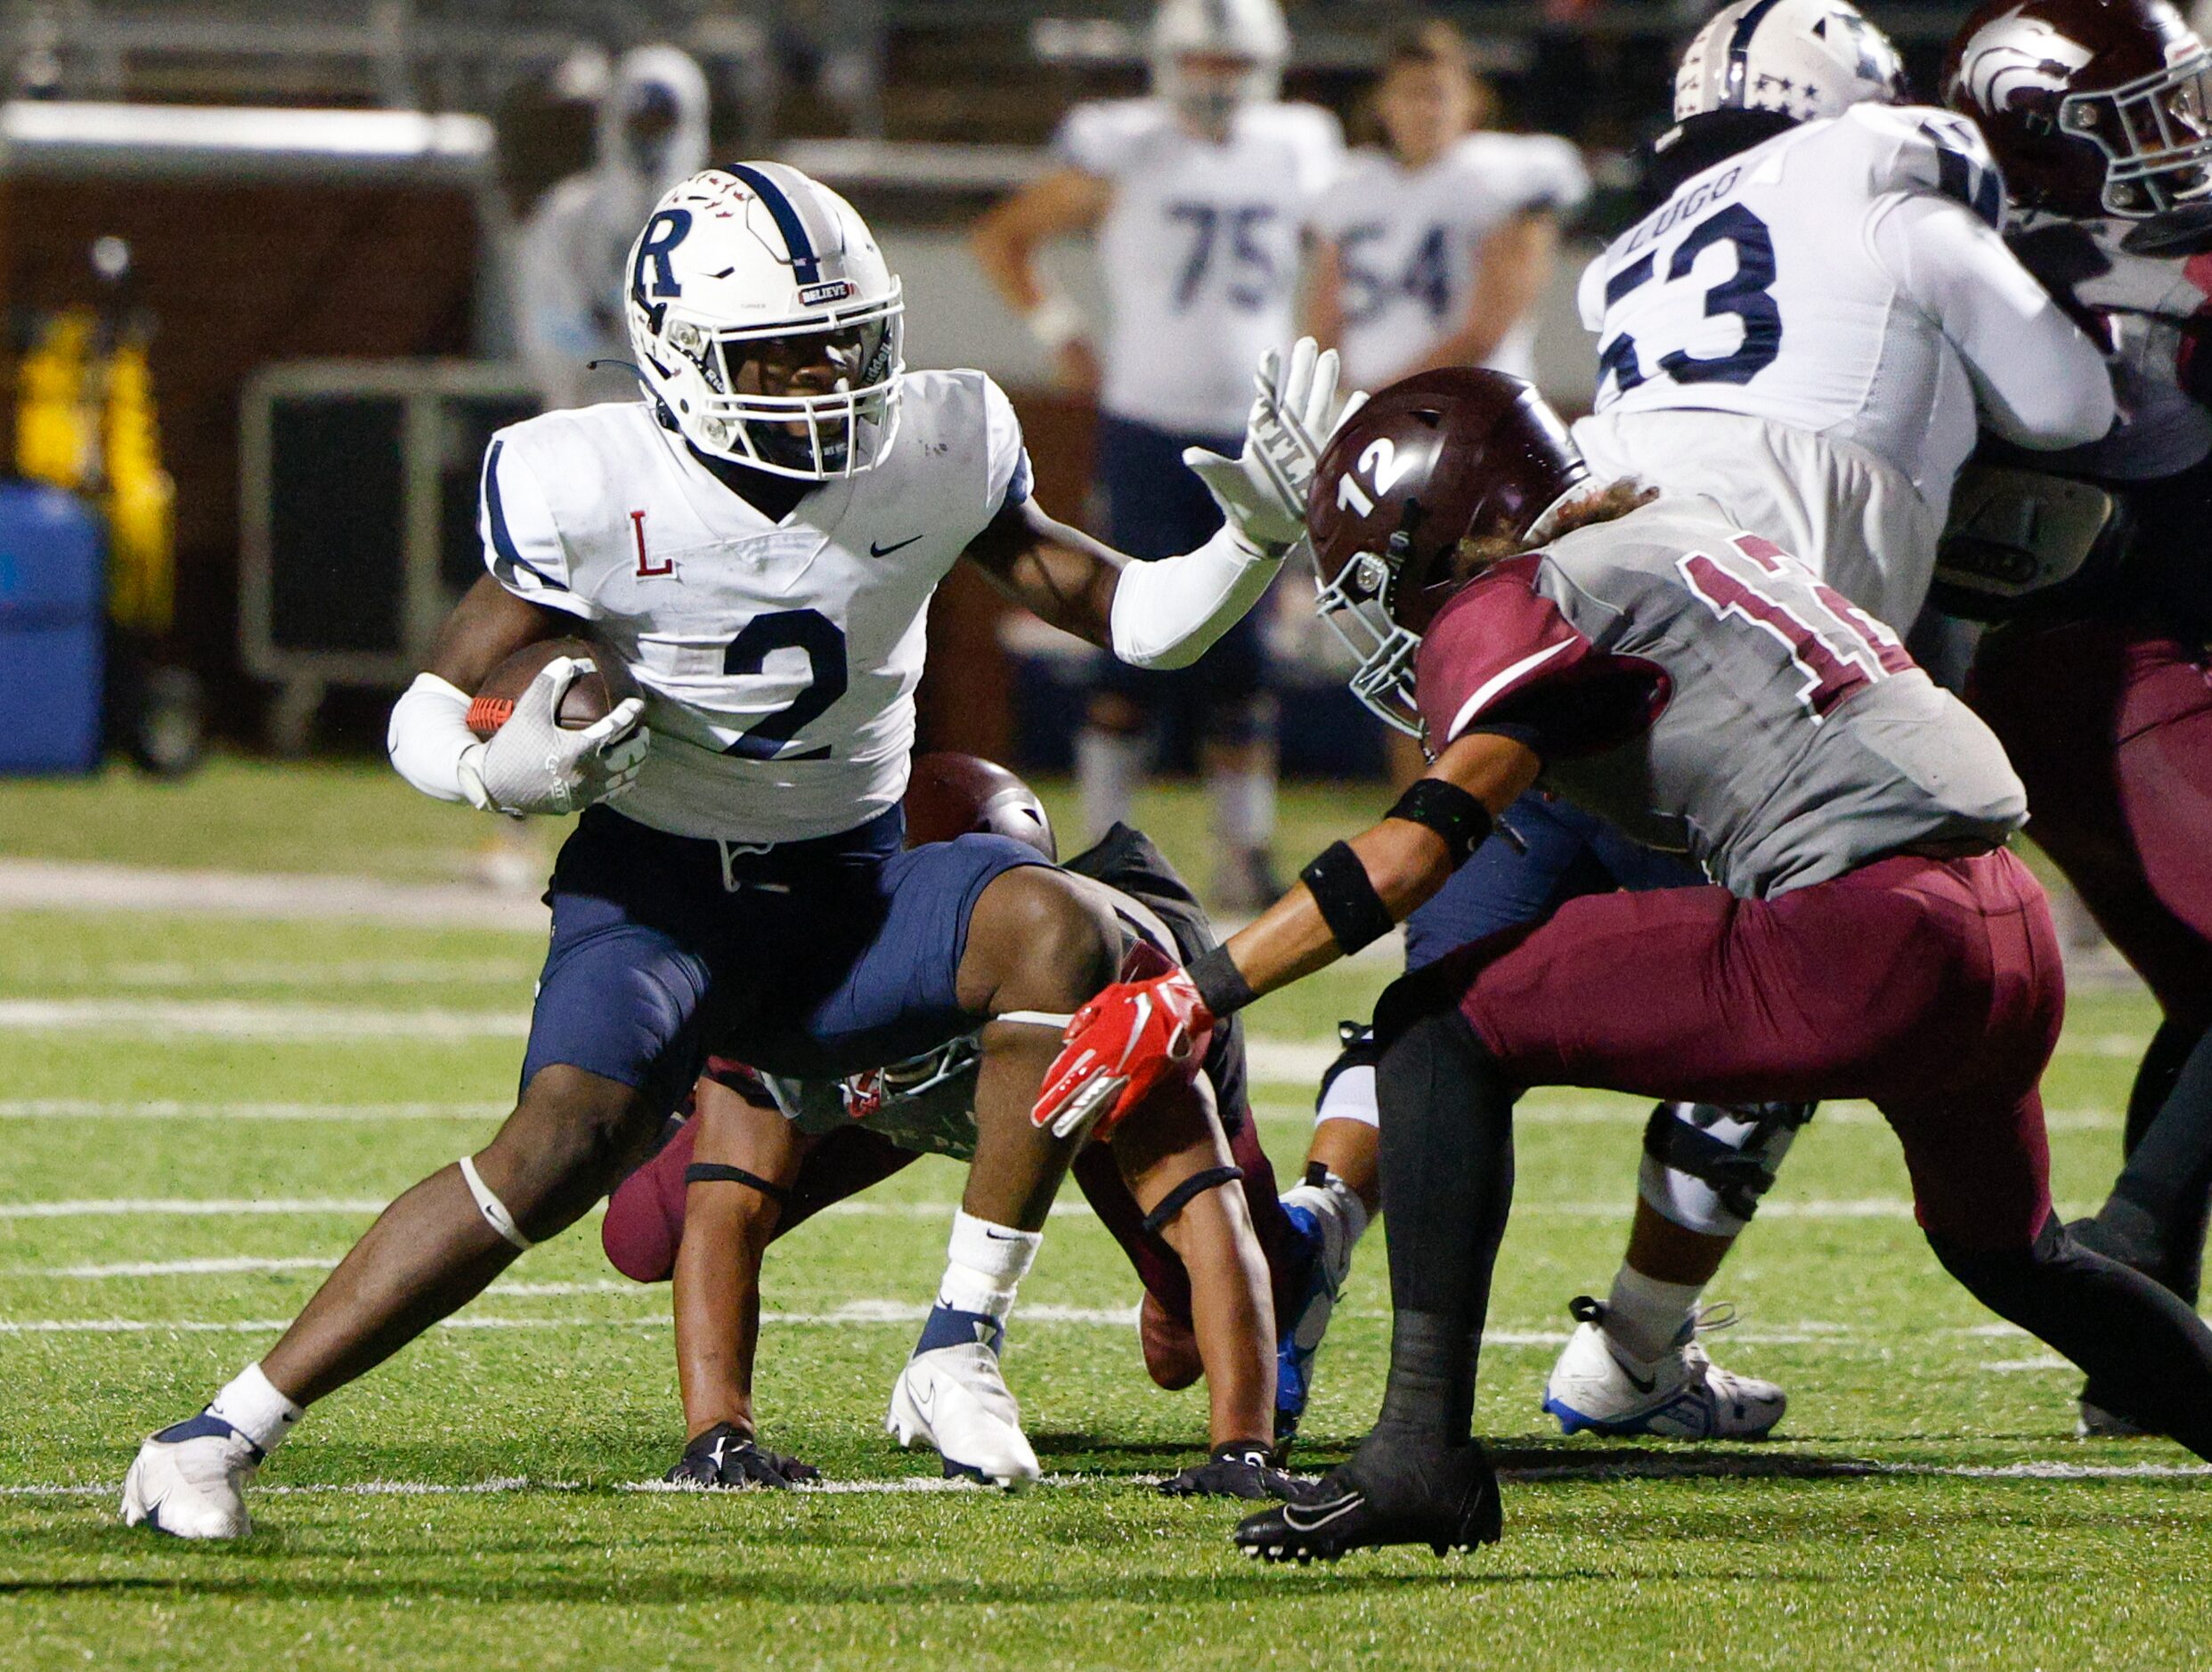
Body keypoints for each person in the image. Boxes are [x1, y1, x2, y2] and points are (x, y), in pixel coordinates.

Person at [119, 164, 1358, 1538]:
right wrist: (494, 761)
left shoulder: (938, 441)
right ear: (678, 355)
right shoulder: (586, 477)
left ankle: (957, 1343)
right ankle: (217, 1431)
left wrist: (1250, 542)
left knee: (1069, 925)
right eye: (780, 351)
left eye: (849, 338)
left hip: (851, 891)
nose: (828, 377)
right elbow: (428, 701)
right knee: (556, 1151)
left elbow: (1136, 620)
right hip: (659, 896)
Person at [1038, 369, 2212, 1562]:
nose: (1387, 615)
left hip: (1868, 933)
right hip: (2002, 928)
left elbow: (1413, 853)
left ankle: (1418, 1452)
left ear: (1445, 527)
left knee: (1439, 1021)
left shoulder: (1524, 592)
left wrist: (1196, 988)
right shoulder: (1675, 525)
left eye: (1383, 578)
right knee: (2014, 1252)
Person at [1299, 0, 2115, 1444]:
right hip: (1743, 682)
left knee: (1446, 976)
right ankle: (1632, 1347)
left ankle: (1317, 1211)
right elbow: (2064, 404)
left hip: (1556, 608)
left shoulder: (1641, 246)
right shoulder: (1887, 187)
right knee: (1797, 996)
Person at [599, 754, 1313, 1495]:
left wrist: (1243, 1450)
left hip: (1072, 1080)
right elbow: (728, 1207)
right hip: (906, 1077)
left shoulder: (1116, 998)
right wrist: (719, 1434)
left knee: (1182, 1345)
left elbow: (1212, 1226)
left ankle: (1312, 1234)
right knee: (644, 1231)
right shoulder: (829, 957)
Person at [1937, 0, 2212, 1434]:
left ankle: (2142, 1318)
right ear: (2039, 145)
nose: (2177, 138)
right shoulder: (2070, 279)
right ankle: (2123, 1242)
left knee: (2208, 995)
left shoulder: (1999, 260)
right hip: (2131, 672)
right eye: (2135, 121)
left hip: (2066, 685)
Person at [972, 0, 1342, 908]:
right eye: (1201, 62)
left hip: (1255, 426)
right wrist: (1062, 331)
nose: (1215, 81)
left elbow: (1335, 258)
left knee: (1245, 659)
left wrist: (1324, 357)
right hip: (1144, 422)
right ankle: (1101, 848)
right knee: (1126, 640)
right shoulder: (1123, 142)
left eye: (1232, 63)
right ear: (1171, 61)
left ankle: (1242, 856)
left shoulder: (1298, 142)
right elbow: (1004, 235)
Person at [1306, 20, 1587, 394]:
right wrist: (1335, 396)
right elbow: (1325, 315)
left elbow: (1488, 326)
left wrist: (1388, 398)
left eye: (1437, 94)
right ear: (1382, 103)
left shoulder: (1502, 175)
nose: (1424, 110)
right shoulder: (1353, 186)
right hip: (1368, 406)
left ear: (1472, 100)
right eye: (1410, 94)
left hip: (1473, 402)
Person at [514, 45, 711, 411]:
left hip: (691, 427)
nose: (649, 137)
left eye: (661, 122)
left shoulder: (720, 221)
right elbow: (544, 329)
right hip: (586, 419)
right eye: (640, 121)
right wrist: (607, 340)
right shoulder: (567, 217)